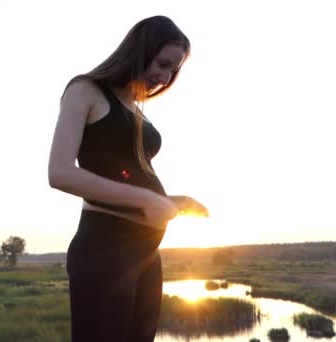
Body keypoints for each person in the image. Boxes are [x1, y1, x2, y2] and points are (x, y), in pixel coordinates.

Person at [48, 15, 208, 342]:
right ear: (140, 49)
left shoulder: (135, 109)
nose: (164, 78)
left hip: (146, 256)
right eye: (162, 64)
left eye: (172, 71)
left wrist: (171, 202)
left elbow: (125, 174)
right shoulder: (85, 91)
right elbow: (59, 173)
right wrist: (147, 199)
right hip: (104, 252)